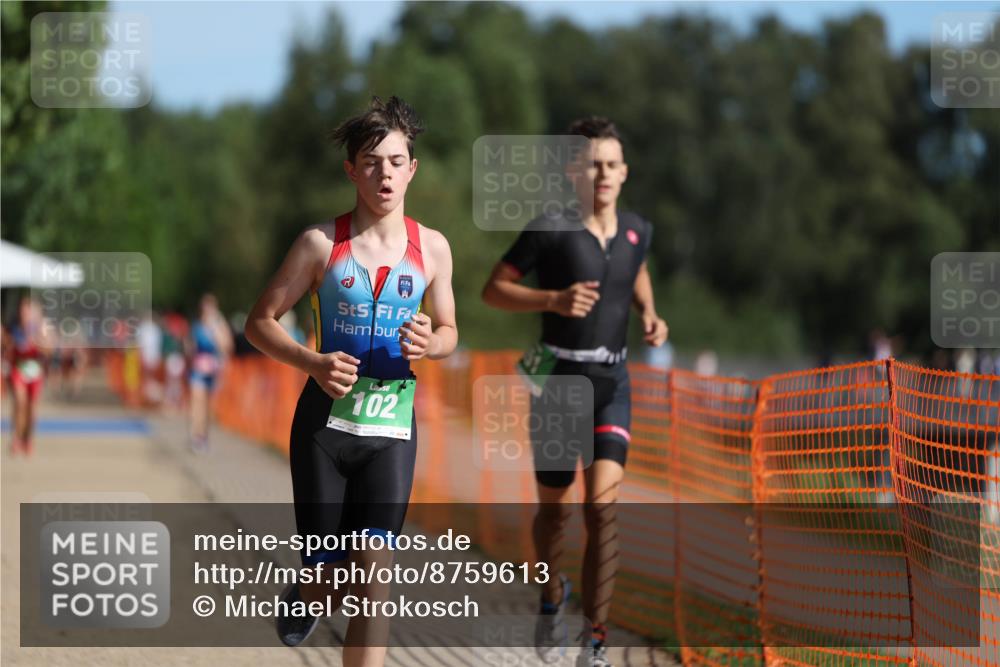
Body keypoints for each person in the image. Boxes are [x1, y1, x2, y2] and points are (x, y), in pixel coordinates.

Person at [245, 96, 457, 666]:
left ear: (412, 169)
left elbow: (449, 331)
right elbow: (258, 323)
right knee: (332, 578)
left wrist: (431, 343)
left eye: (396, 162)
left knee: (375, 580)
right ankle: (310, 590)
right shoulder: (320, 244)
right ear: (351, 171)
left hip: (392, 430)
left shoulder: (433, 248)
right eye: (371, 162)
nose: (384, 174)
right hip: (324, 430)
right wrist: (312, 362)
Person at [481, 116, 668, 667]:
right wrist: (553, 300)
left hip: (613, 381)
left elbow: (634, 269)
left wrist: (650, 312)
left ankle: (596, 642)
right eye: (592, 165)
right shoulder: (550, 229)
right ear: (573, 172)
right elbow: (493, 289)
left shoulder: (636, 230)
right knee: (555, 514)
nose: (603, 173)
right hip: (558, 381)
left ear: (624, 171)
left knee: (602, 509)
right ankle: (549, 596)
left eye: (611, 164)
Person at [3, 297, 51, 456]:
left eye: (28, 311)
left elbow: (49, 350)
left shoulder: (42, 328)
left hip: (35, 371)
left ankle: (28, 439)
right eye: (23, 311)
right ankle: (16, 439)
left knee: (31, 408)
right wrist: (8, 342)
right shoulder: (13, 327)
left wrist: (37, 343)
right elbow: (6, 347)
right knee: (20, 403)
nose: (25, 314)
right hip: (18, 369)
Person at [187, 294, 233, 451]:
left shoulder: (219, 325)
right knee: (197, 402)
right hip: (198, 369)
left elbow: (226, 347)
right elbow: (191, 348)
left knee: (208, 406)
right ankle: (196, 435)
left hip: (214, 370)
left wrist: (214, 330)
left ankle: (204, 435)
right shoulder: (197, 326)